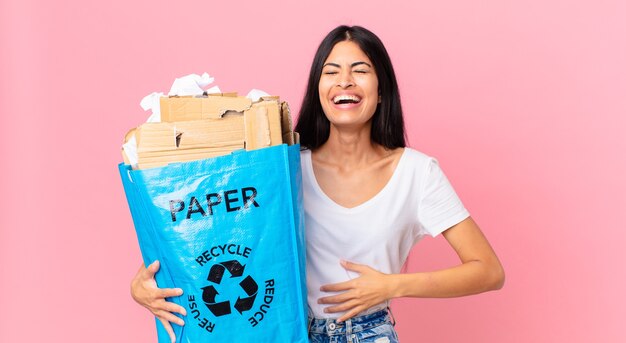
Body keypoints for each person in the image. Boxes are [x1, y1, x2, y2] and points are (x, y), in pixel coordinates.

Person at [131, 25, 505, 343]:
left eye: (360, 70)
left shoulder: (417, 173)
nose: (345, 81)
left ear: (382, 88)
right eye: (332, 71)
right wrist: (143, 287)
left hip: (370, 333)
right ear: (319, 88)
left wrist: (392, 285)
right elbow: (213, 234)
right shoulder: (283, 169)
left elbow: (488, 270)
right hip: (289, 331)